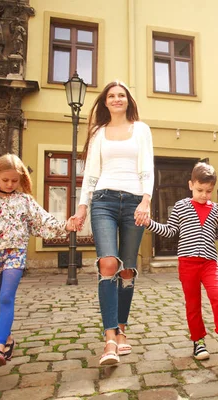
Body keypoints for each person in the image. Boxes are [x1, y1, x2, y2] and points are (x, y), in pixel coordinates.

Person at [72, 80, 154, 366]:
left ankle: (122, 328)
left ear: (128, 100)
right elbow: (90, 175)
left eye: (121, 95)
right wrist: (82, 208)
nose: (117, 99)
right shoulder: (98, 133)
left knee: (128, 269)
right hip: (103, 201)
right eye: (111, 96)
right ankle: (109, 339)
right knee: (108, 263)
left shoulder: (141, 130)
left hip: (134, 202)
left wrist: (146, 200)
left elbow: (147, 167)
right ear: (105, 102)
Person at [0, 154, 76, 367]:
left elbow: (43, 220)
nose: (10, 184)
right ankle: (8, 337)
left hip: (15, 253)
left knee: (7, 296)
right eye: (6, 180)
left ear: (21, 180)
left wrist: (66, 225)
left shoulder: (25, 201)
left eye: (14, 181)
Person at [146, 162, 218, 361]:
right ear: (190, 185)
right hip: (187, 263)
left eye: (208, 191)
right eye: (200, 190)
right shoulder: (181, 206)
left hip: (209, 263)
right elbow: (170, 231)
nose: (204, 195)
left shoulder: (215, 209)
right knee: (193, 303)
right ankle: (198, 341)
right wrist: (149, 223)